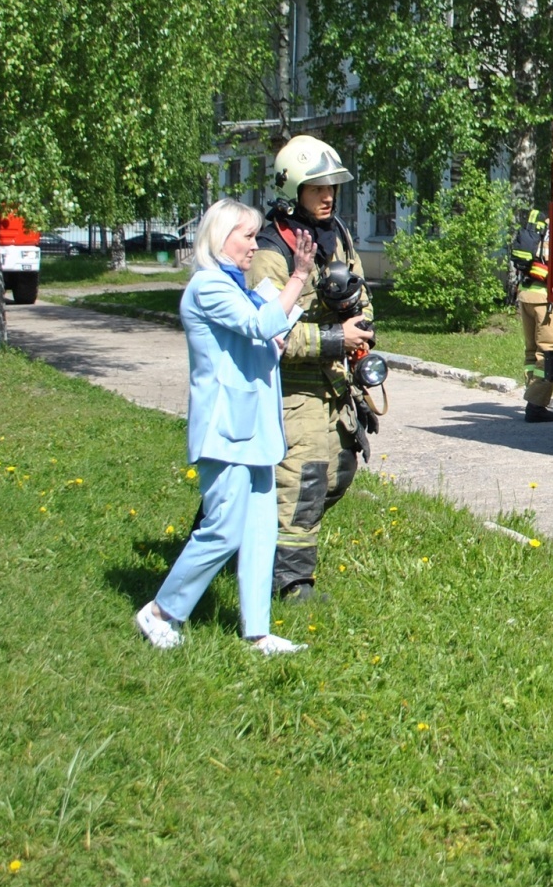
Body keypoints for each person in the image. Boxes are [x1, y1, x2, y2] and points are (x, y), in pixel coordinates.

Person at [135, 197, 315, 654]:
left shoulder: (239, 286)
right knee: (224, 529)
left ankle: (258, 631)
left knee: (260, 533)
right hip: (226, 431)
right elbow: (259, 325)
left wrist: (297, 293)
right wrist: (296, 277)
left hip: (256, 431)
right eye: (247, 236)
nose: (254, 245)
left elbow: (272, 332)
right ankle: (160, 611)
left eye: (257, 236)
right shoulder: (208, 287)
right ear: (220, 237)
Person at [247, 135, 374, 602]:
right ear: (293, 188)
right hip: (294, 387)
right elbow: (269, 334)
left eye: (332, 187)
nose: (328, 196)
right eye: (317, 187)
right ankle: (292, 584)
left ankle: (236, 538)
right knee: (303, 480)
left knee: (341, 470)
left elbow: (360, 292)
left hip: (335, 382)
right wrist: (337, 339)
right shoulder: (270, 252)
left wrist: (363, 333)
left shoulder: (335, 233)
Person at [510, 206, 553, 423]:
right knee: (547, 353)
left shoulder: (536, 229)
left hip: (526, 294)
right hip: (543, 299)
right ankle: (536, 406)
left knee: (531, 352)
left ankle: (531, 397)